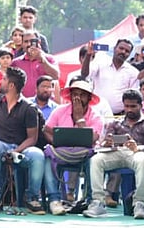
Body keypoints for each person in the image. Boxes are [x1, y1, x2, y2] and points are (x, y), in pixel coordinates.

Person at [0, 67, 48, 214]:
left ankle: (32, 197)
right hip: (2, 145)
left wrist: (16, 151)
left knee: (38, 155)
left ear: (11, 85)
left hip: (23, 148)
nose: (0, 81)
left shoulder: (29, 108)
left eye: (4, 79)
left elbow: (32, 138)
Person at [84, 89, 144, 219]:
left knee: (142, 160)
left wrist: (138, 147)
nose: (129, 109)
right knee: (96, 160)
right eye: (126, 106)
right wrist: (107, 143)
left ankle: (139, 203)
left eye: (133, 106)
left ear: (140, 106)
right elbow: (101, 144)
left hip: (136, 153)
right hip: (115, 152)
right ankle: (98, 202)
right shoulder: (115, 123)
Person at [41, 79, 103, 213]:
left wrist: (80, 118)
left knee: (95, 161)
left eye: (82, 95)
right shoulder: (59, 111)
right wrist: (55, 141)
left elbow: (92, 138)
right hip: (61, 151)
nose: (78, 98)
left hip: (85, 154)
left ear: (89, 98)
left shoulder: (96, 116)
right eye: (75, 94)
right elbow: (47, 130)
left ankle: (91, 201)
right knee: (47, 155)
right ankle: (54, 200)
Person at [81, 38, 140, 115]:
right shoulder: (100, 63)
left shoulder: (133, 72)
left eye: (127, 51)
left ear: (129, 54)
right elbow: (84, 74)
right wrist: (88, 54)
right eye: (121, 48)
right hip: (97, 112)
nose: (123, 52)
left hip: (120, 115)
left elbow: (133, 96)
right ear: (115, 48)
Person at [11, 31, 60, 99]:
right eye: (26, 41)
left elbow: (56, 76)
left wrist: (42, 60)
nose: (28, 44)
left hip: (45, 104)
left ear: (38, 42)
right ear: (22, 44)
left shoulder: (49, 59)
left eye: (32, 41)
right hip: (23, 105)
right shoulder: (15, 63)